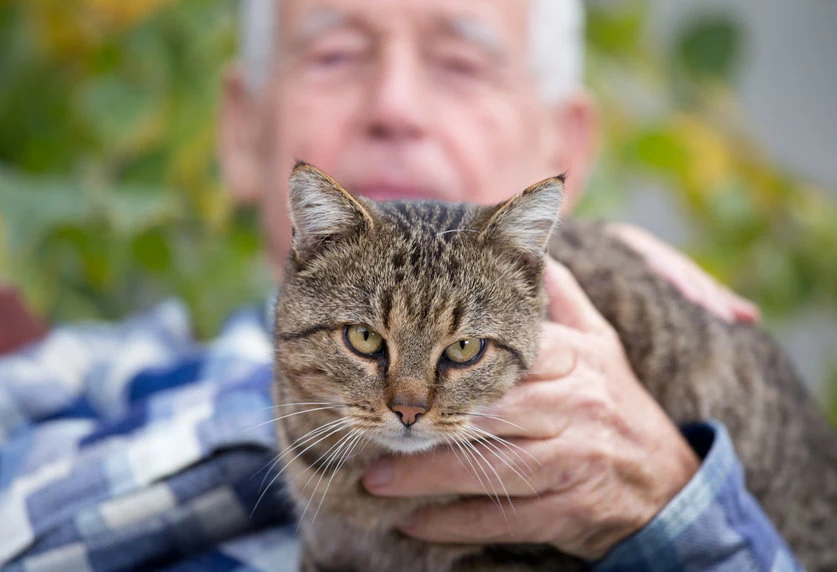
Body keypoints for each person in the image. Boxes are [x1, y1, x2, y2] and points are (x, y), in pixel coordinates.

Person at [0, 0, 798, 570]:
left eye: (460, 62)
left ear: (569, 148)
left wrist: (676, 513)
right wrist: (266, 412)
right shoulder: (70, 383)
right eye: (336, 54)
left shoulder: (657, 419)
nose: (395, 107)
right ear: (241, 130)